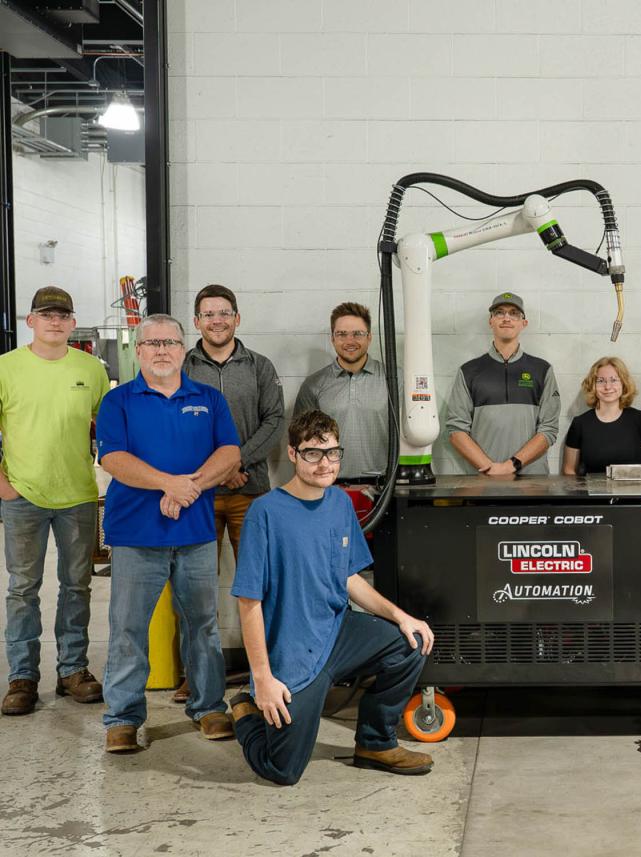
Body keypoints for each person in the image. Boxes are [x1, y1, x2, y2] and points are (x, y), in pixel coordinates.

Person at [229, 409, 433, 785]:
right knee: (283, 771)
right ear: (293, 454)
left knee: (412, 643)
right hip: (293, 650)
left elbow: (348, 577)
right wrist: (263, 679)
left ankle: (375, 744)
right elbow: (249, 602)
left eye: (332, 453)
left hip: (338, 632)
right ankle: (245, 712)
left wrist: (400, 616)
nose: (325, 464)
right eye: (313, 453)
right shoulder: (265, 513)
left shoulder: (339, 503)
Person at [95, 314, 242, 753]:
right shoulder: (118, 401)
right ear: (139, 351)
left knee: (203, 624)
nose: (162, 350)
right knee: (128, 627)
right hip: (136, 534)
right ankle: (123, 718)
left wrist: (187, 487)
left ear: (183, 350)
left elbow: (230, 453)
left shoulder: (209, 399)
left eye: (171, 343)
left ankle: (208, 706)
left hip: (195, 533)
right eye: (153, 343)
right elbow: (113, 459)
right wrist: (167, 484)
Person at [0, 287, 110, 716]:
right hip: (22, 495)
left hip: (77, 495)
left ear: (72, 323)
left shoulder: (91, 369)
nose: (55, 321)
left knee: (77, 585)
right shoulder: (6, 367)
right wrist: (3, 485)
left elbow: (110, 426)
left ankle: (72, 670)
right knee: (22, 588)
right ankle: (22, 677)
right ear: (30, 321)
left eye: (63, 315)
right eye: (46, 315)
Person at [177, 283, 285, 703]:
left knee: (261, 585)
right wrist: (214, 473)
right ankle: (197, 676)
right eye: (208, 314)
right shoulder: (182, 367)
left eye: (224, 312)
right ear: (196, 321)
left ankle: (271, 672)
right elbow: (176, 428)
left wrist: (237, 463)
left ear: (237, 318)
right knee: (195, 590)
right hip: (197, 496)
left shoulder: (259, 366)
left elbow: (274, 421)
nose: (217, 320)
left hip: (249, 492)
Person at [445, 292, 560, 476]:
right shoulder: (468, 371)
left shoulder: (542, 370)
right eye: (499, 312)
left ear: (524, 323)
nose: (507, 318)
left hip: (532, 481)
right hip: (483, 479)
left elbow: (549, 429)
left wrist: (510, 466)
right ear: (490, 321)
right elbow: (456, 430)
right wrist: (490, 468)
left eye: (514, 313)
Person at [295, 302, 389, 481]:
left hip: (383, 486)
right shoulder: (313, 385)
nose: (350, 341)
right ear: (332, 338)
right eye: (342, 334)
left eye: (358, 334)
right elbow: (301, 443)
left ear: (369, 337)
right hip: (329, 485)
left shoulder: (392, 380)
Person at [561, 356, 641, 475]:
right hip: (591, 487)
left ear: (623, 383)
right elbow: (569, 470)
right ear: (593, 385)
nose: (607, 387)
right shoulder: (579, 424)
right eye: (601, 381)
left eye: (614, 380)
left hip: (634, 487)